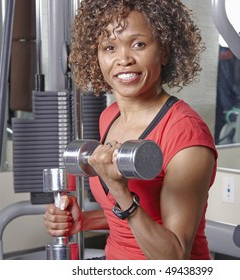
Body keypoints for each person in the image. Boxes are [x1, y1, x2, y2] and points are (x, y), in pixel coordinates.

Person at [43, 0, 218, 260]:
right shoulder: (110, 117)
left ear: (165, 52)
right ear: (97, 56)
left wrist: (120, 190)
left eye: (139, 44)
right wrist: (86, 221)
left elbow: (175, 256)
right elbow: (139, 215)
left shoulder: (186, 135)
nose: (123, 59)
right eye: (109, 47)